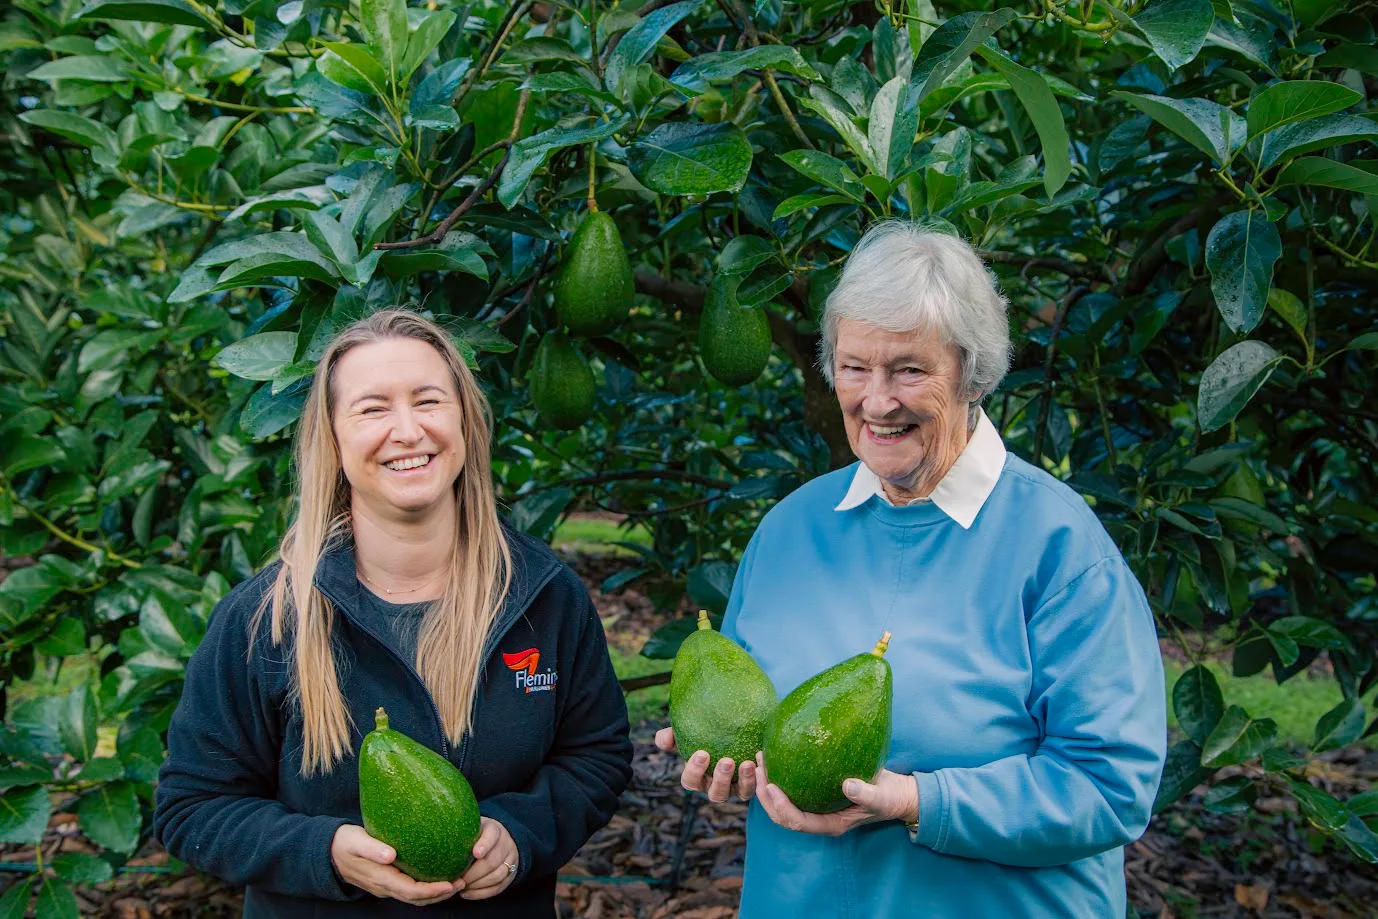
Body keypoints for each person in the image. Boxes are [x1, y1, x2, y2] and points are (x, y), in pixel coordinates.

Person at [656, 221, 1167, 917]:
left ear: (971, 371)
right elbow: (757, 722)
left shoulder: (1059, 545)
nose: (875, 400)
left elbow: (1110, 785)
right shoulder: (789, 530)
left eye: (909, 369)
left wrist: (920, 801)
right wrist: (728, 761)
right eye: (854, 366)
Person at [154, 309, 633, 917]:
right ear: (332, 435)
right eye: (373, 408)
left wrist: (520, 833)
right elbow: (192, 806)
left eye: (428, 401)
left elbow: (597, 757)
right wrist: (324, 851)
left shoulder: (544, 596)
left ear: (464, 420)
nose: (407, 431)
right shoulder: (264, 619)